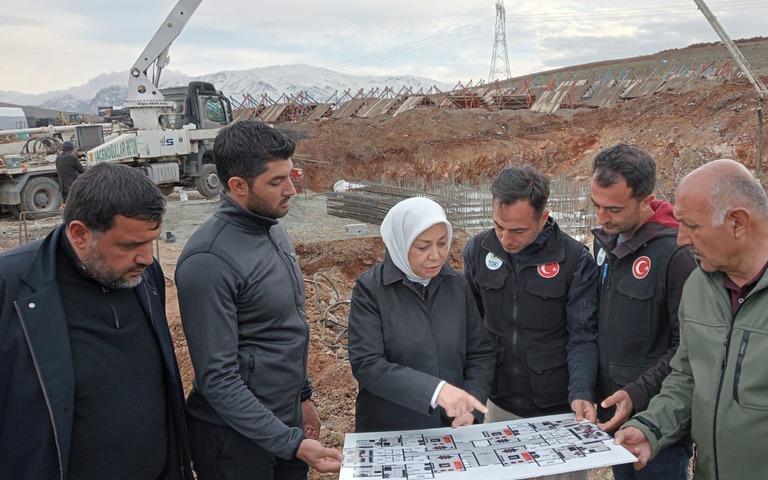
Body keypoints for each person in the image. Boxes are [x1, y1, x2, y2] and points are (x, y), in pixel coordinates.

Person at [615, 159, 768, 479]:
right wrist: (651, 427)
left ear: (738, 223)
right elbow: (687, 377)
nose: (681, 239)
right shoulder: (699, 286)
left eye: (692, 226)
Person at [0, 163, 192, 480]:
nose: (146, 257)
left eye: (152, 240)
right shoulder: (12, 289)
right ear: (79, 234)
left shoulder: (145, 275)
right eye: (130, 245)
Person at [175, 120, 341, 480]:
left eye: (291, 175)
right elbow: (218, 379)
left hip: (284, 427)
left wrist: (303, 400)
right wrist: (289, 441)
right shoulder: (209, 261)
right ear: (237, 186)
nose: (292, 190)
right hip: (235, 444)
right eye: (276, 182)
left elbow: (283, 331)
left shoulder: (274, 232)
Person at [463, 165, 598, 480]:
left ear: (543, 216)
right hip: (499, 403)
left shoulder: (574, 260)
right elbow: (472, 328)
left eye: (518, 230)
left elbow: (583, 336)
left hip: (557, 408)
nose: (506, 238)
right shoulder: (478, 249)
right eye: (499, 226)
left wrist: (581, 391)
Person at [584, 144, 695, 480]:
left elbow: (686, 347)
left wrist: (637, 392)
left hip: (659, 424)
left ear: (645, 200)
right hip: (615, 413)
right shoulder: (606, 244)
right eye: (597, 206)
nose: (602, 218)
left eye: (614, 209)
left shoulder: (677, 255)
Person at [348, 197, 494, 432]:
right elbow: (367, 364)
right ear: (400, 243)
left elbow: (480, 353)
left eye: (442, 243)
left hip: (451, 427)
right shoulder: (371, 290)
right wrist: (436, 392)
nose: (436, 255)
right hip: (391, 427)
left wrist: (470, 405)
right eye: (423, 247)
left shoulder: (457, 286)